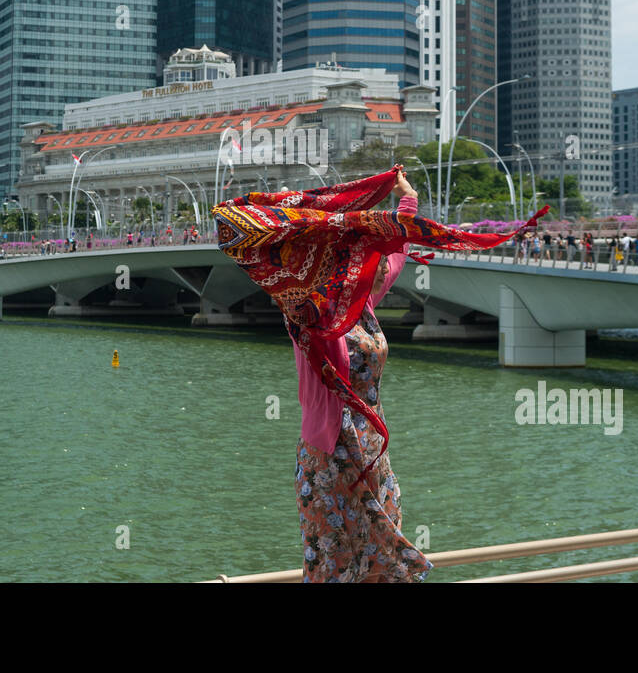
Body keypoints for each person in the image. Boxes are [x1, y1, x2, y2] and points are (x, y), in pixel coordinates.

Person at [214, 165, 547, 582]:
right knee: (334, 562)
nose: (363, 264)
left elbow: (398, 243)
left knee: (381, 564)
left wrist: (405, 193)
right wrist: (287, 208)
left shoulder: (365, 301)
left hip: (372, 449)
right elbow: (231, 224)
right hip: (329, 455)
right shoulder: (304, 310)